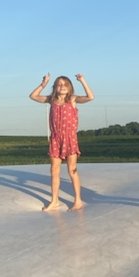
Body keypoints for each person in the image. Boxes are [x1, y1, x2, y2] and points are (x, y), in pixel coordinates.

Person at [29, 73, 94, 211]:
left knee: (72, 170)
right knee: (54, 171)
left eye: (65, 85)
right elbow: (33, 96)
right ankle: (55, 201)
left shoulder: (73, 99)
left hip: (70, 139)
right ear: (55, 87)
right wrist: (43, 85)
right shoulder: (51, 100)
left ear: (69, 87)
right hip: (55, 139)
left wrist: (82, 80)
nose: (62, 87)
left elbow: (90, 97)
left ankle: (78, 201)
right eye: (59, 84)